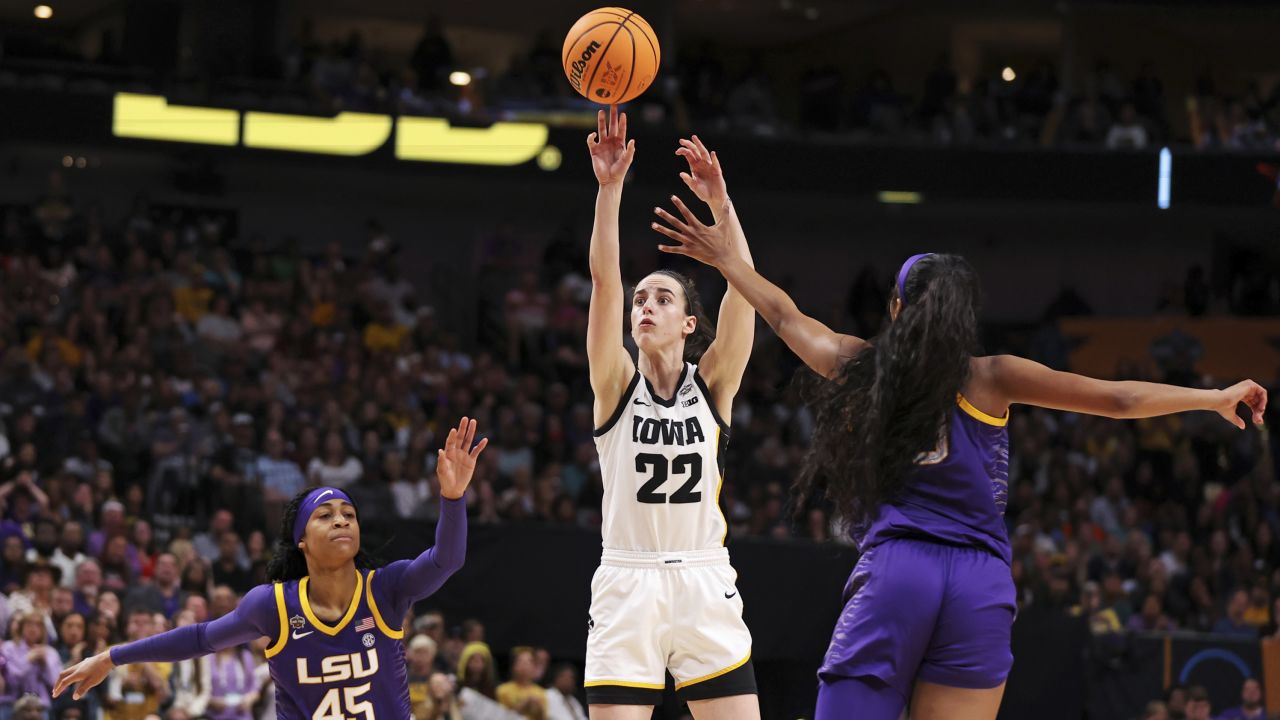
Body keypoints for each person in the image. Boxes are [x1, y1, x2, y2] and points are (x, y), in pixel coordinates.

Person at [649, 209, 1268, 719]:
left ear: (896, 308)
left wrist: (726, 258)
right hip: (981, 586)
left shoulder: (862, 364)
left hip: (899, 570)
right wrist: (1212, 397)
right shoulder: (994, 376)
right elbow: (1118, 397)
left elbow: (783, 315)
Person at [53, 417, 489, 720]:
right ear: (302, 540)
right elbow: (200, 638)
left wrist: (452, 498)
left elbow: (446, 559)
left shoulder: (386, 590)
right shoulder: (274, 606)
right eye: (326, 515)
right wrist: (112, 656)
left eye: (349, 514)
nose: (341, 520)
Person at [583, 106, 760, 719]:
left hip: (703, 580)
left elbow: (745, 290)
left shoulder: (712, 383)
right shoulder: (614, 384)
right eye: (641, 299)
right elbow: (605, 282)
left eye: (662, 298)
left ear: (688, 323)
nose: (644, 306)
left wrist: (722, 204)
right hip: (627, 582)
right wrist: (610, 191)